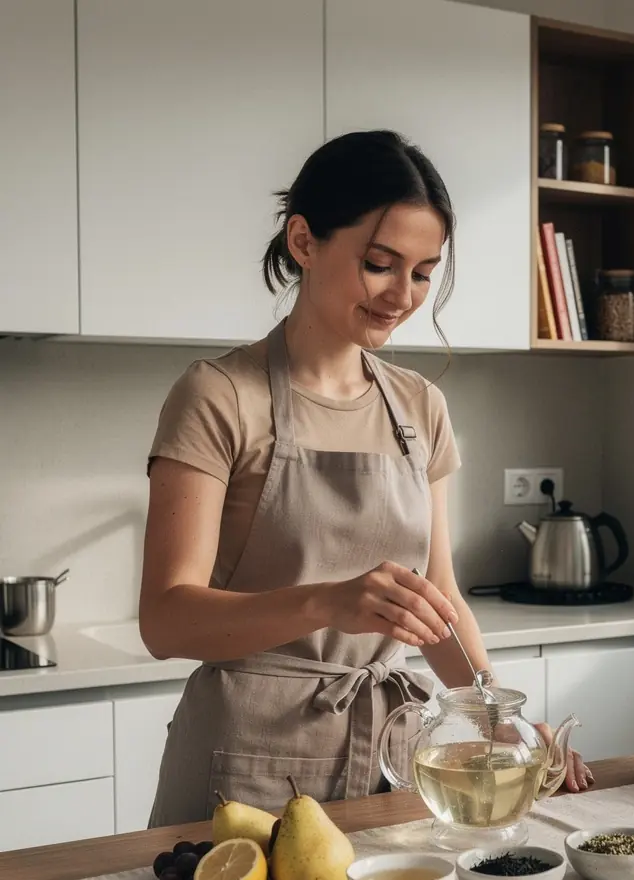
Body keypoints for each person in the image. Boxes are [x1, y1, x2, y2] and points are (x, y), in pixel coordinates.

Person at [141, 130, 592, 827]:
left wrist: (501, 721)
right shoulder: (219, 395)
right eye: (380, 264)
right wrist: (326, 603)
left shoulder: (420, 407)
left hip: (389, 758)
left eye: (422, 272)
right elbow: (167, 620)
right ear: (304, 242)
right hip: (245, 768)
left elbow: (437, 598)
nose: (402, 295)